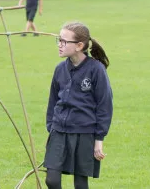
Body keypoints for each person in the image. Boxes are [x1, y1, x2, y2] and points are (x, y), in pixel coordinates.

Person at [44, 22, 113, 189]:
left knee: (80, 184)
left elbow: (104, 105)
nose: (59, 45)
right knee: (51, 180)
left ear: (79, 46)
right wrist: (51, 126)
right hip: (59, 131)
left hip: (84, 133)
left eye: (64, 41)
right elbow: (53, 100)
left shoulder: (96, 69)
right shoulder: (59, 69)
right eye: (58, 40)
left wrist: (99, 139)